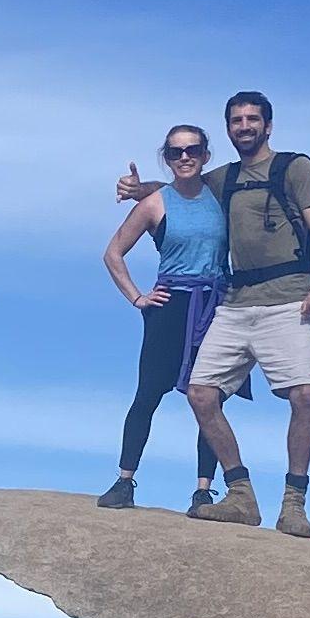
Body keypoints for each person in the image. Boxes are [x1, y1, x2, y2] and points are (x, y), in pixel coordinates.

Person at [183, 90, 310, 535]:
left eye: (252, 119)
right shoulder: (223, 179)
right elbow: (181, 191)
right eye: (235, 121)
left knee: (303, 395)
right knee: (201, 393)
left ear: (268, 125)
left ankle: (294, 504)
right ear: (228, 128)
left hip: (289, 297)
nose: (243, 127)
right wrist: (141, 192)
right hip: (236, 301)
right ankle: (241, 495)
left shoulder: (294, 167)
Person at [97, 123, 231, 510]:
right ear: (167, 158)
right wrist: (137, 297)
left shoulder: (221, 195)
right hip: (169, 305)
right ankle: (124, 482)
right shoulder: (156, 204)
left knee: (209, 399)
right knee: (148, 393)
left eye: (192, 150)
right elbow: (113, 253)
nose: (185, 157)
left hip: (214, 305)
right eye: (176, 152)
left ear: (206, 155)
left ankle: (204, 491)